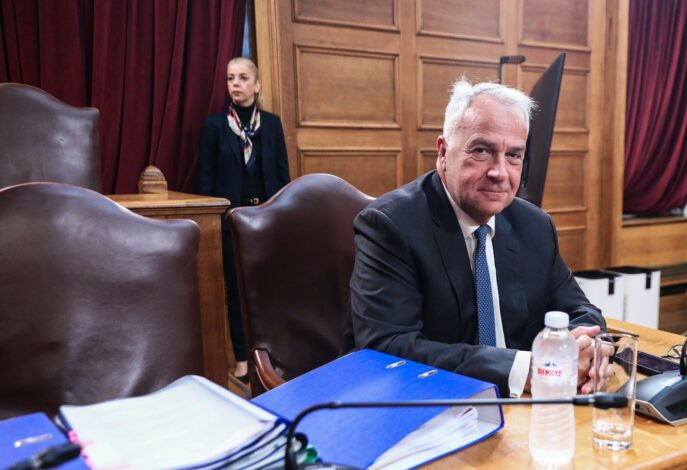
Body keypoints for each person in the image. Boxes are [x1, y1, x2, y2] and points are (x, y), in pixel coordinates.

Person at [345, 79, 606, 398]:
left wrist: (585, 348)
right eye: (482, 151)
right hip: (430, 405)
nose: (500, 172)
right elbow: (387, 348)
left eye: (514, 155)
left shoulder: (534, 225)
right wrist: (522, 370)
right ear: (443, 152)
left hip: (528, 408)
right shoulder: (390, 226)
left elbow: (580, 309)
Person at [199, 57, 290, 383]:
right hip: (231, 222)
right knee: (236, 293)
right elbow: (206, 180)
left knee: (270, 288)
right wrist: (217, 222)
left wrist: (283, 215)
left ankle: (273, 357)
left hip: (266, 219)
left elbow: (283, 176)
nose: (235, 84)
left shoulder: (272, 124)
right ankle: (241, 358)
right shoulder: (215, 126)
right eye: (230, 78)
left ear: (257, 84)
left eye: (242, 78)